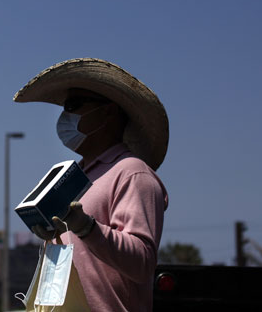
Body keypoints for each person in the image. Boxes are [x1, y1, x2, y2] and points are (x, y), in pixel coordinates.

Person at [14, 58, 169, 312]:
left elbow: (143, 262)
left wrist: (86, 228)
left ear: (108, 112)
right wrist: (55, 236)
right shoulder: (77, 176)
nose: (66, 116)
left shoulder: (132, 173)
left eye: (74, 106)